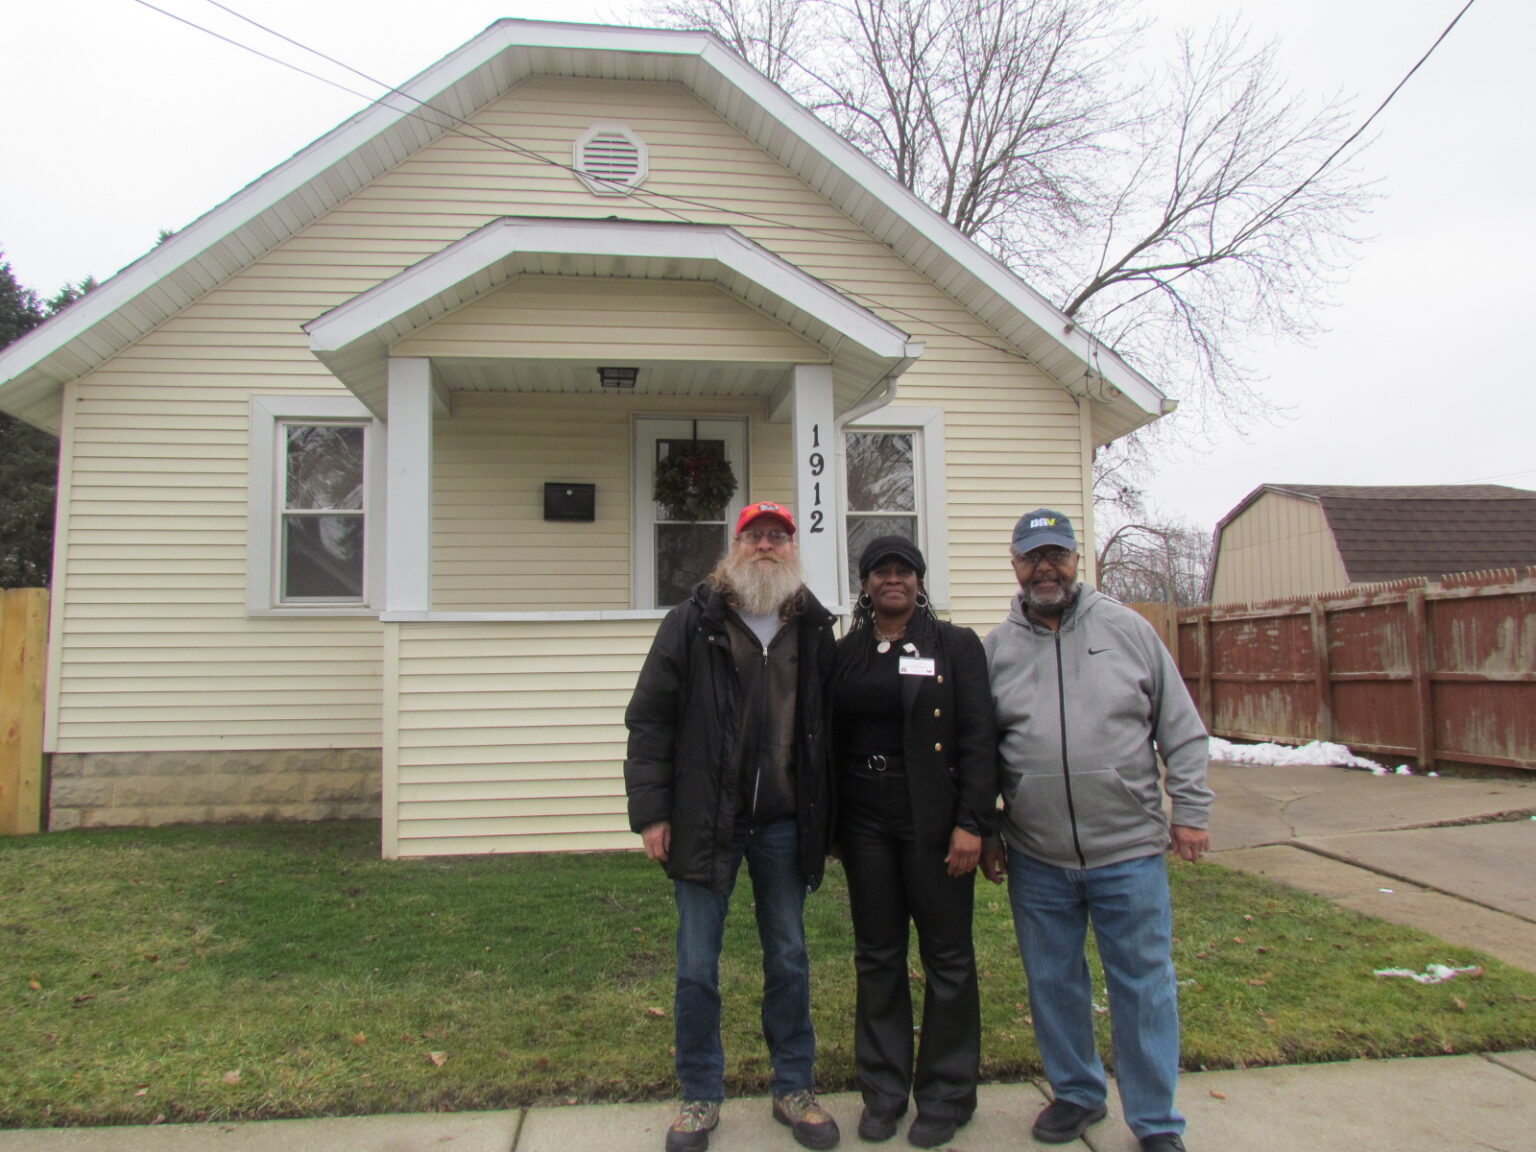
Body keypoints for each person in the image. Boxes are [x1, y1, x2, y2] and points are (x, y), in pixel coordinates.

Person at [980, 509, 1212, 1152]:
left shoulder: (1129, 631)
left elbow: (1182, 730)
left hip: (1129, 852)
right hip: (1037, 855)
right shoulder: (995, 651)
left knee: (1143, 986)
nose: (1045, 567)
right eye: (1032, 556)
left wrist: (1189, 812)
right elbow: (981, 755)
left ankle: (1156, 1120)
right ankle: (1078, 1095)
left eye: (1057, 554)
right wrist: (992, 832)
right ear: (1015, 565)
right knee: (1053, 982)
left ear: (1078, 559)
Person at [625, 501, 841, 1152]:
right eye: (756, 536)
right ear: (735, 546)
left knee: (790, 957)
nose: (768, 546)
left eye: (779, 536)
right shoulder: (692, 623)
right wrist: (653, 812)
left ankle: (793, 1087)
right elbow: (650, 720)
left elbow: (828, 730)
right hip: (703, 820)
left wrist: (826, 823)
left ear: (793, 548)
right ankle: (698, 1097)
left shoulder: (811, 628)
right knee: (696, 964)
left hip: (782, 823)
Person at [830, 536, 996, 1149]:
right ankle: (883, 1091)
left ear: (920, 582)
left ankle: (948, 1094)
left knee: (947, 957)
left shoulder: (955, 647)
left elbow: (980, 736)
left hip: (934, 819)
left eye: (904, 571)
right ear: (866, 584)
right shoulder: (844, 654)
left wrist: (973, 822)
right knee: (877, 957)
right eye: (880, 572)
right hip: (865, 820)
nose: (892, 580)